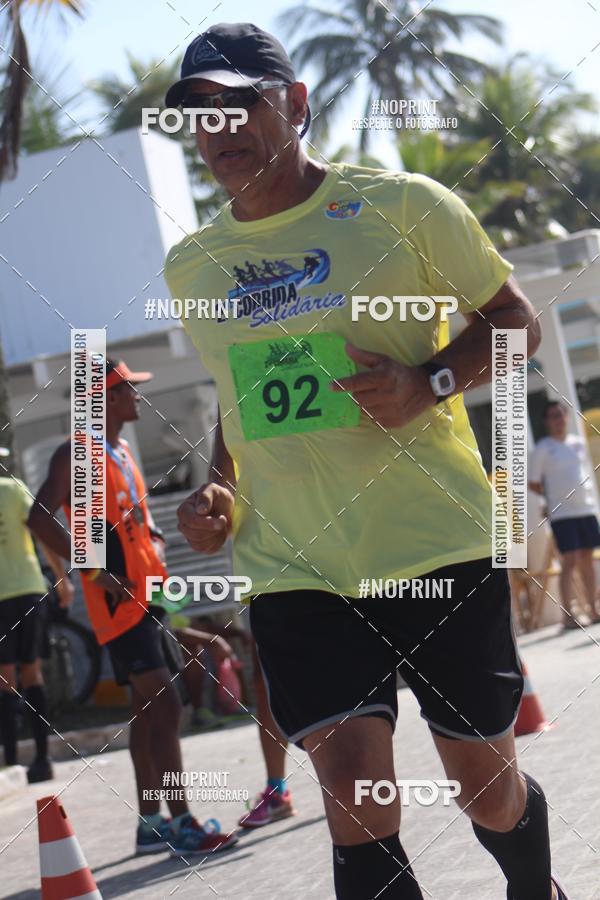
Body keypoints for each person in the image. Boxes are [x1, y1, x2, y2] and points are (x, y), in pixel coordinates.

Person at [165, 23, 568, 899]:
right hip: (296, 566)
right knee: (353, 796)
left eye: (241, 104)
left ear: (295, 104)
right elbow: (243, 400)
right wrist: (220, 486)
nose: (220, 129)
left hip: (433, 544)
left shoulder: (405, 206)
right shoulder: (194, 266)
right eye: (200, 113)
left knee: (487, 793)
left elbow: (515, 323)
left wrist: (429, 381)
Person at [27, 359, 237, 856]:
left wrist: (163, 572)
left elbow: (133, 527)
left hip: (150, 597)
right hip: (117, 606)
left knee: (147, 713)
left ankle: (150, 825)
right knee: (167, 705)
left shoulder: (119, 450)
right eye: (128, 389)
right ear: (104, 399)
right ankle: (182, 822)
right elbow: (39, 518)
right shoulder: (76, 453)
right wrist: (93, 569)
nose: (138, 396)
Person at [0, 453, 73, 782]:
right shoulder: (14, 489)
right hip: (28, 589)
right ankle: (42, 760)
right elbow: (43, 532)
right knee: (32, 673)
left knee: (5, 679)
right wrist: (62, 578)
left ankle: (10, 765)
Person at [529, 399, 600, 628]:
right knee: (569, 560)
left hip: (586, 509)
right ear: (547, 421)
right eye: (554, 416)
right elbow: (533, 483)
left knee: (587, 559)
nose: (558, 420)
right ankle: (568, 615)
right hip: (562, 514)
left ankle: (593, 609)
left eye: (561, 415)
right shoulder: (542, 448)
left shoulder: (578, 443)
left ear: (567, 417)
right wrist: (549, 501)